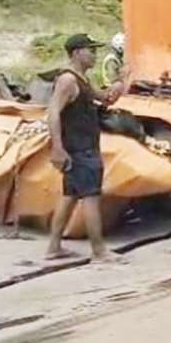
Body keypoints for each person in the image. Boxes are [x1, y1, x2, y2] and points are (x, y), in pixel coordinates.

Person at [45, 34, 127, 263]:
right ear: (76, 53)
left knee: (70, 196)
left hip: (81, 147)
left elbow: (106, 99)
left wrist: (120, 83)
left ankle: (54, 247)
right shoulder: (68, 81)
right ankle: (99, 251)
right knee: (91, 197)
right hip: (80, 149)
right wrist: (57, 148)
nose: (94, 54)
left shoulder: (82, 79)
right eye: (90, 50)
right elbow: (52, 114)